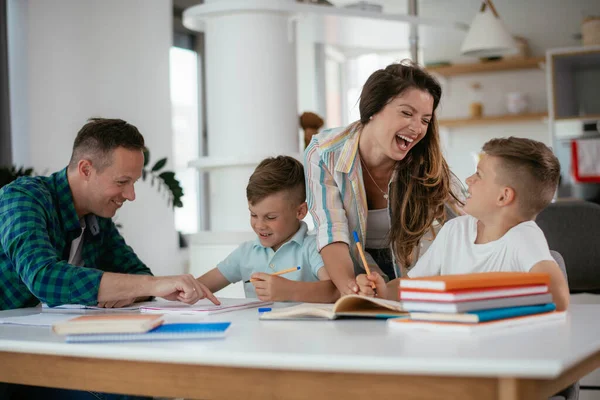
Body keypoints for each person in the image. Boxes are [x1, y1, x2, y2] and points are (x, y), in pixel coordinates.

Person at [0, 118, 219, 311]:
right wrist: (152, 285)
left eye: (133, 183)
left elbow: (137, 272)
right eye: (122, 182)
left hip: (47, 337)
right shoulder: (23, 198)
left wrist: (131, 291)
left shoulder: (97, 215)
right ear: (86, 169)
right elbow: (44, 278)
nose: (131, 195)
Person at [304, 60, 462, 296]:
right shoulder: (324, 153)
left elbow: (468, 217)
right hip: (353, 268)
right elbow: (331, 231)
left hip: (412, 274)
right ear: (373, 110)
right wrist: (351, 288)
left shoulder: (425, 160)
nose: (417, 128)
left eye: (425, 120)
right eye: (407, 113)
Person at [356, 137, 570, 311]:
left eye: (479, 175)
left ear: (503, 197)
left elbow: (559, 297)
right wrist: (383, 290)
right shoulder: (455, 230)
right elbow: (409, 285)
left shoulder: (523, 236)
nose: (468, 180)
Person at [197, 156, 339, 302]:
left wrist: (290, 291)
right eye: (253, 214)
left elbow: (335, 290)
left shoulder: (314, 248)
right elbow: (199, 287)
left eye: (270, 217)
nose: (259, 225)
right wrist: (185, 287)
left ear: (300, 212)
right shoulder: (246, 253)